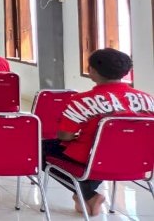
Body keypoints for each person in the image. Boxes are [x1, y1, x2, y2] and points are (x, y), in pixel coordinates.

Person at [43, 49, 154, 216]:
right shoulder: (149, 100)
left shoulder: (81, 101)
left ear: (92, 70)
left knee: (38, 148)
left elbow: (64, 135)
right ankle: (85, 195)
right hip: (138, 163)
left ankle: (88, 194)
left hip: (94, 162)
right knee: (104, 151)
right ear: (126, 71)